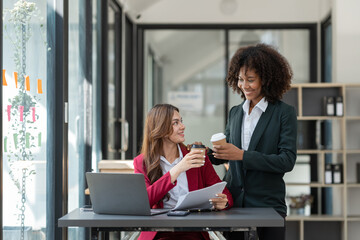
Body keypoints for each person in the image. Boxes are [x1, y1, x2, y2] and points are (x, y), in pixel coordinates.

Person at [209, 43, 297, 240]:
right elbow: (226, 153)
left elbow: (287, 160)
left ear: (266, 80)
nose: (244, 85)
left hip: (268, 204)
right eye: (240, 79)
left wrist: (242, 155)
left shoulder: (284, 113)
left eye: (250, 80)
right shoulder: (235, 112)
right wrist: (204, 153)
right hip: (233, 203)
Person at [133, 103, 233, 240]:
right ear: (160, 128)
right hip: (158, 232)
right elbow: (142, 202)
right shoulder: (142, 162)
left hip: (192, 231)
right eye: (176, 123)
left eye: (181, 121)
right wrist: (177, 169)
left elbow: (225, 194)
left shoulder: (197, 155)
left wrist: (224, 202)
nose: (182, 126)